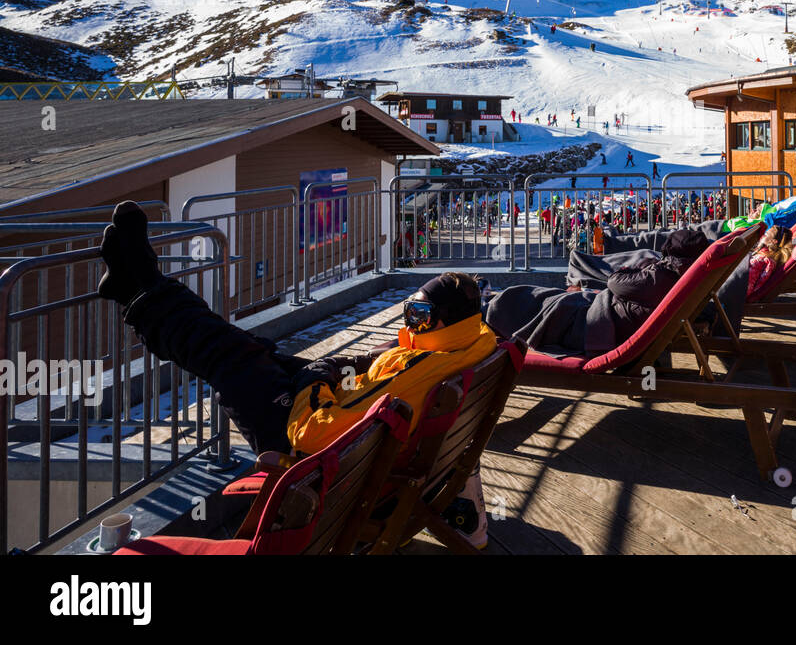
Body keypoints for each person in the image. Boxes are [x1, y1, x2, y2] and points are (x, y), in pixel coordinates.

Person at [95, 202, 502, 545]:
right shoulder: (472, 344)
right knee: (247, 348)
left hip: (314, 451)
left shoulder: (426, 371)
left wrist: (314, 382)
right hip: (357, 437)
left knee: (225, 356)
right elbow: (395, 370)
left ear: (444, 322)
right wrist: (349, 367)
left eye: (420, 315)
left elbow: (316, 434)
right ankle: (143, 285)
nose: (410, 323)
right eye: (409, 311)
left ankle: (140, 287)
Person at [490, 228, 711, 357]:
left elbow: (615, 281)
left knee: (537, 300)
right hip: (609, 315)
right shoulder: (691, 277)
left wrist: (636, 266)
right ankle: (491, 300)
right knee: (547, 297)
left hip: (595, 325)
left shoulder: (659, 277)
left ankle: (489, 305)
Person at [746, 225, 795, 299]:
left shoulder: (765, 260)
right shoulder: (762, 254)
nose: (762, 236)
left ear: (773, 241)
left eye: (765, 234)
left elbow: (753, 286)